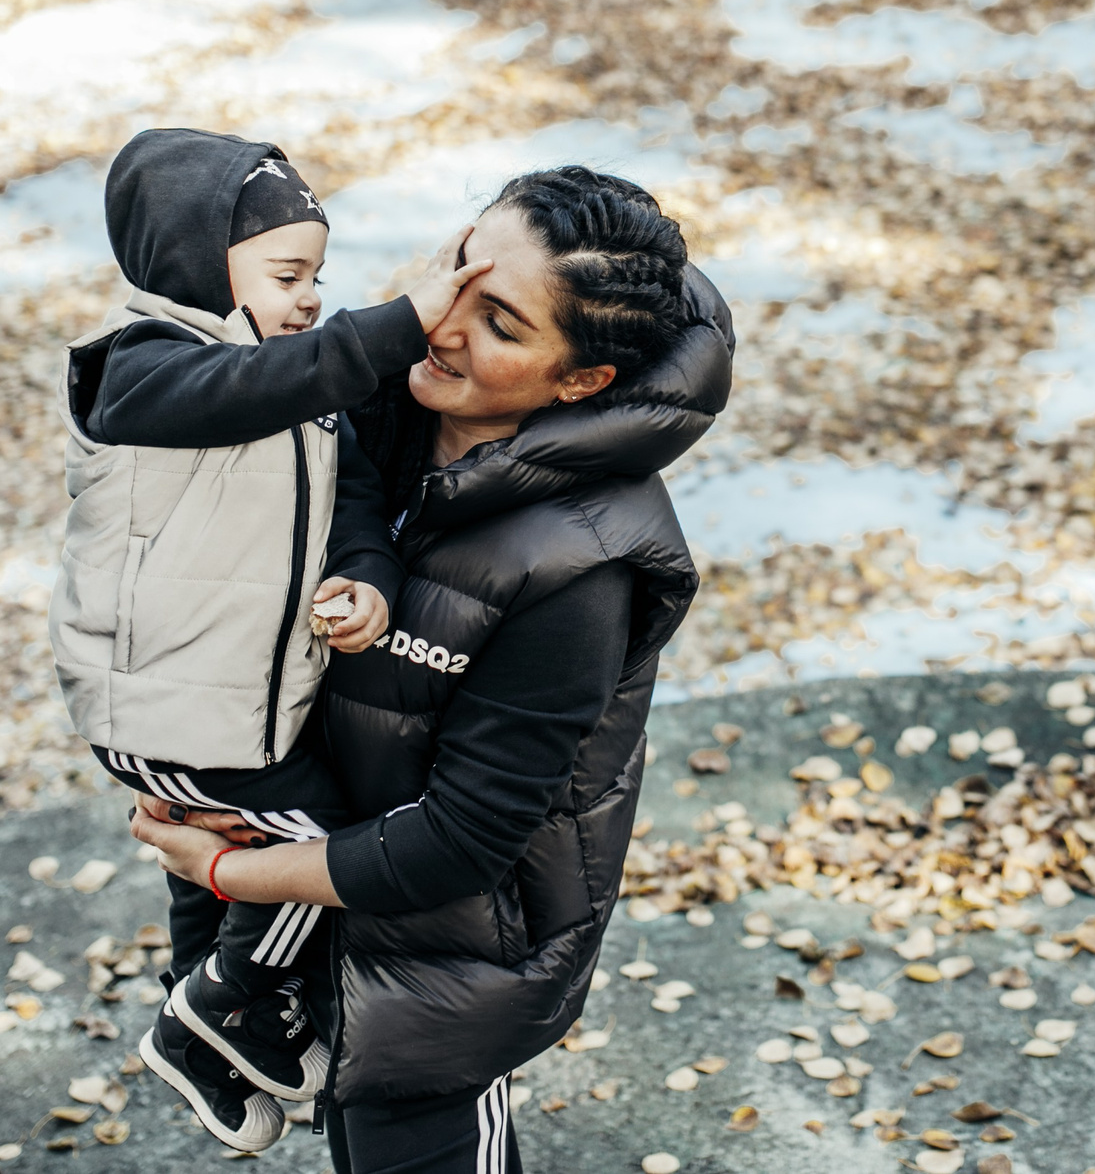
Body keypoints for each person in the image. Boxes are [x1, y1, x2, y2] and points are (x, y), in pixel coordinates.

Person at [129, 165, 733, 1174]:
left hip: (448, 960)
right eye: (457, 264)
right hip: (297, 895)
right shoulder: (357, 400)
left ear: (579, 381)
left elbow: (463, 844)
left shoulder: (581, 567)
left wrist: (229, 869)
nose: (443, 320)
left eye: (499, 321)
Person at [53, 128, 492, 1152]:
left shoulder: (306, 394)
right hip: (158, 699)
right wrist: (394, 324)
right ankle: (225, 1005)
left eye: (319, 278)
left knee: (249, 837)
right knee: (318, 841)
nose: (307, 297)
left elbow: (359, 510)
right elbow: (241, 391)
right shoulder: (138, 369)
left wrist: (366, 587)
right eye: (286, 273)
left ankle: (201, 1010)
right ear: (197, 268)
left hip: (240, 712)